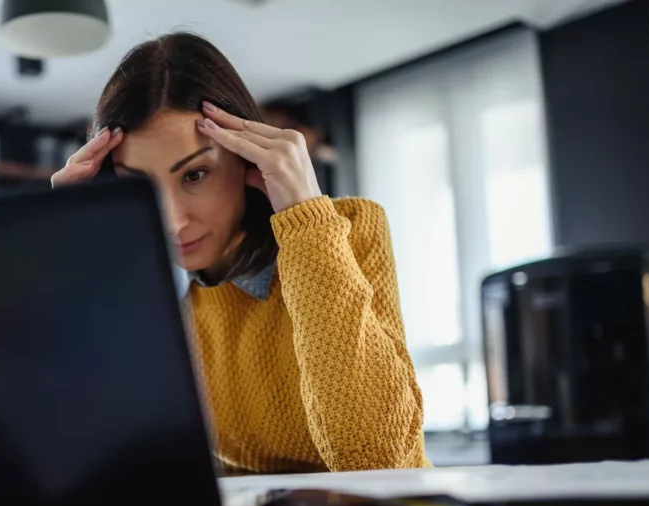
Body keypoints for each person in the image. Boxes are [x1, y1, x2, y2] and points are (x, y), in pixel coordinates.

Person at [51, 33, 429, 473]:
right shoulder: (142, 286)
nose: (171, 221)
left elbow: (377, 463)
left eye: (195, 174)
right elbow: (90, 455)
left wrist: (307, 220)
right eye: (140, 186)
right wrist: (68, 249)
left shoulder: (348, 229)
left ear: (247, 160)